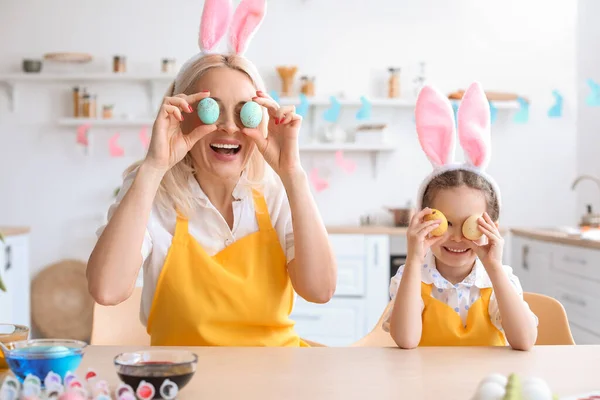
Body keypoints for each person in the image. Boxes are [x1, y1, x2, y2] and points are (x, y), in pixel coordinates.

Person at [86, 0, 337, 347]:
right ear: (181, 113)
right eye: (210, 109)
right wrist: (154, 166)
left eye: (244, 111)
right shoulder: (153, 192)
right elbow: (107, 289)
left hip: (275, 376)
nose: (229, 126)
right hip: (183, 376)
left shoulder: (275, 190)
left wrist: (292, 173)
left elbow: (320, 290)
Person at [386, 82, 538, 350]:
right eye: (446, 223)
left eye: (470, 225)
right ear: (423, 222)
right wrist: (413, 260)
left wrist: (494, 268)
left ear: (491, 229)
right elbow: (406, 340)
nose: (456, 237)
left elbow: (525, 341)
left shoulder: (496, 279)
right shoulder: (412, 278)